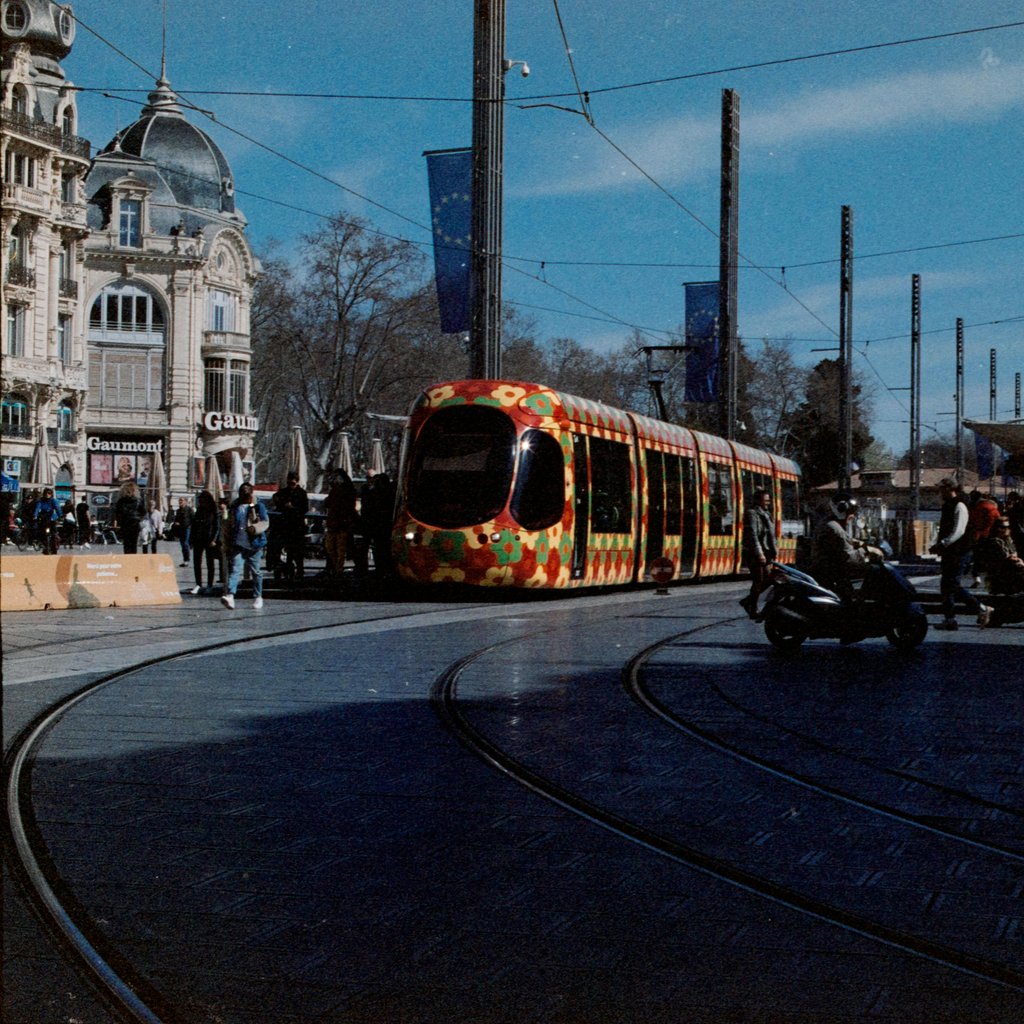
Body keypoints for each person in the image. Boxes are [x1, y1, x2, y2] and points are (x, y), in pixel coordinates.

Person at [929, 478, 991, 631]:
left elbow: (959, 530)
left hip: (959, 551)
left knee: (952, 585)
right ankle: (949, 619)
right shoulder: (949, 505)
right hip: (950, 552)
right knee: (946, 586)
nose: (939, 492)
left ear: (950, 488)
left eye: (941, 489)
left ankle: (981, 608)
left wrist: (942, 544)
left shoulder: (960, 505)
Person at [809, 495, 866, 602]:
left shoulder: (831, 524)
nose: (853, 516)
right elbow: (849, 558)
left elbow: (844, 542)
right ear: (841, 510)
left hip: (829, 574)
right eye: (851, 512)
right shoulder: (834, 528)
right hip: (831, 577)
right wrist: (866, 552)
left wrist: (856, 543)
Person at [221, 482, 269, 610]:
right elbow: (228, 525)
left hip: (254, 544)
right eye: (242, 493)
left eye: (246, 493)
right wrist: (226, 542)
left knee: (255, 571)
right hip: (238, 543)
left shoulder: (258, 506)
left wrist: (255, 528)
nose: (244, 495)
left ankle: (258, 596)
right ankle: (230, 595)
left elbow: (265, 522)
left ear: (251, 493)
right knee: (235, 569)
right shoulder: (235, 506)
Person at [739, 488, 776, 618]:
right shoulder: (751, 514)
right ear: (757, 501)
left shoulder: (766, 514)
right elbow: (753, 535)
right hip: (754, 552)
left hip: (765, 551)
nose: (768, 503)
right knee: (759, 580)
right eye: (765, 500)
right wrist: (759, 553)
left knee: (770, 578)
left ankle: (748, 601)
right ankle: (752, 608)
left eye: (768, 500)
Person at [974, 517, 1024, 597]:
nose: (1006, 529)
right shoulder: (994, 541)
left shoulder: (1008, 539)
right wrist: (1018, 560)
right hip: (1001, 572)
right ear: (997, 528)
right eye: (1003, 527)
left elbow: (1014, 554)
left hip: (1010, 568)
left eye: (1008, 527)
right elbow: (1008, 557)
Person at [273, 471, 309, 579]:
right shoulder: (283, 492)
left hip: (297, 526)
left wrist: (293, 507)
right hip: (286, 526)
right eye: (289, 483)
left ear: (297, 482)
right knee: (287, 549)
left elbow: (304, 508)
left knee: (298, 551)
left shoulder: (302, 493)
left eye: (293, 483)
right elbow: (277, 501)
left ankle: (300, 571)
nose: (290, 486)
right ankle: (288, 570)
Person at [360, 470, 396, 576]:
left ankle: (380, 567)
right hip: (384, 524)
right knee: (382, 547)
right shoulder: (388, 493)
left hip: (378, 524)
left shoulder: (375, 493)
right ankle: (384, 568)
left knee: (379, 547)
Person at [323, 470, 358, 577]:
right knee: (332, 547)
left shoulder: (346, 492)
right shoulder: (336, 491)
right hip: (334, 523)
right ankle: (336, 567)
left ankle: (338, 569)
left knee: (339, 548)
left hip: (341, 523)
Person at [189, 490, 221, 595]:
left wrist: (214, 539)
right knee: (196, 562)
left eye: (202, 500)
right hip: (198, 538)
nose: (200, 502)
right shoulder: (199, 510)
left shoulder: (213, 510)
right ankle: (198, 584)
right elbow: (194, 525)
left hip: (209, 539)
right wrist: (191, 539)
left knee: (209, 563)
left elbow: (217, 526)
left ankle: (209, 585)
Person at [967, 489, 1001, 585]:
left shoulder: (975, 508)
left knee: (976, 557)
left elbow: (971, 522)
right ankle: (992, 578)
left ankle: (976, 577)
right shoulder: (991, 507)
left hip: (978, 535)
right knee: (990, 558)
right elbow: (998, 519)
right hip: (991, 535)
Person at [114, 482, 146, 554]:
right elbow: (143, 512)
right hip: (135, 523)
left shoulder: (121, 501)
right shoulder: (138, 500)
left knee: (126, 544)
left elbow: (118, 513)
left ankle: (127, 559)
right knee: (134, 543)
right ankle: (133, 560)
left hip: (125, 524)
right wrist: (139, 518)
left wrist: (119, 522)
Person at [32, 487, 62, 554]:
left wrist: (60, 515)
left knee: (53, 533)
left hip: (51, 519)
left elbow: (57, 508)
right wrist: (35, 515)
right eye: (46, 493)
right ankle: (44, 546)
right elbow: (37, 508)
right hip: (44, 519)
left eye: (49, 493)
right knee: (41, 533)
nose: (47, 495)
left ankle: (54, 548)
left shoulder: (53, 501)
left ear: (51, 494)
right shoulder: (41, 501)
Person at [172, 497, 193, 566]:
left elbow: (193, 519)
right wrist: (176, 523)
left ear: (185, 502)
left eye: (181, 500)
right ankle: (185, 560)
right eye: (179, 500)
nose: (180, 502)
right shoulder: (178, 510)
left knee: (185, 543)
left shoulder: (189, 509)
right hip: (180, 529)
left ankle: (187, 560)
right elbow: (176, 519)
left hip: (187, 529)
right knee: (182, 545)